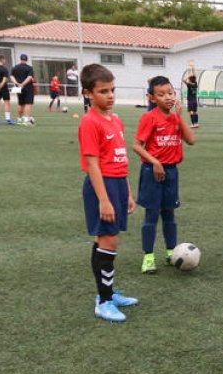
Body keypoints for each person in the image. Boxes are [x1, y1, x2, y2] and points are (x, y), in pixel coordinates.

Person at [77, 63, 138, 322]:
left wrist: (127, 193)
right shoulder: (90, 122)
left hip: (117, 184)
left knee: (105, 241)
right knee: (108, 241)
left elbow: (119, 159)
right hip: (101, 186)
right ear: (88, 93)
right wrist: (104, 199)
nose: (110, 95)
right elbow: (93, 164)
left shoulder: (115, 119)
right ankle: (103, 301)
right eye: (103, 91)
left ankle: (108, 292)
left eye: (112, 90)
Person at [132, 76, 196, 274]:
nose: (167, 97)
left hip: (171, 172)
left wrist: (180, 117)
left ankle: (171, 253)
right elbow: (136, 146)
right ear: (151, 97)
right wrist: (155, 161)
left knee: (169, 215)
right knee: (151, 214)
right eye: (161, 94)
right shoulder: (149, 118)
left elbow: (191, 140)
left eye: (170, 93)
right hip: (152, 172)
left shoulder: (176, 117)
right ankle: (148, 257)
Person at [11, 53, 36, 126]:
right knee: (28, 104)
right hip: (27, 87)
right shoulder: (29, 68)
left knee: (20, 103)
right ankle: (26, 120)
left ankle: (19, 119)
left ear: (21, 59)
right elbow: (29, 77)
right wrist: (23, 84)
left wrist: (17, 83)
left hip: (18, 88)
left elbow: (11, 76)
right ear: (27, 60)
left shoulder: (15, 67)